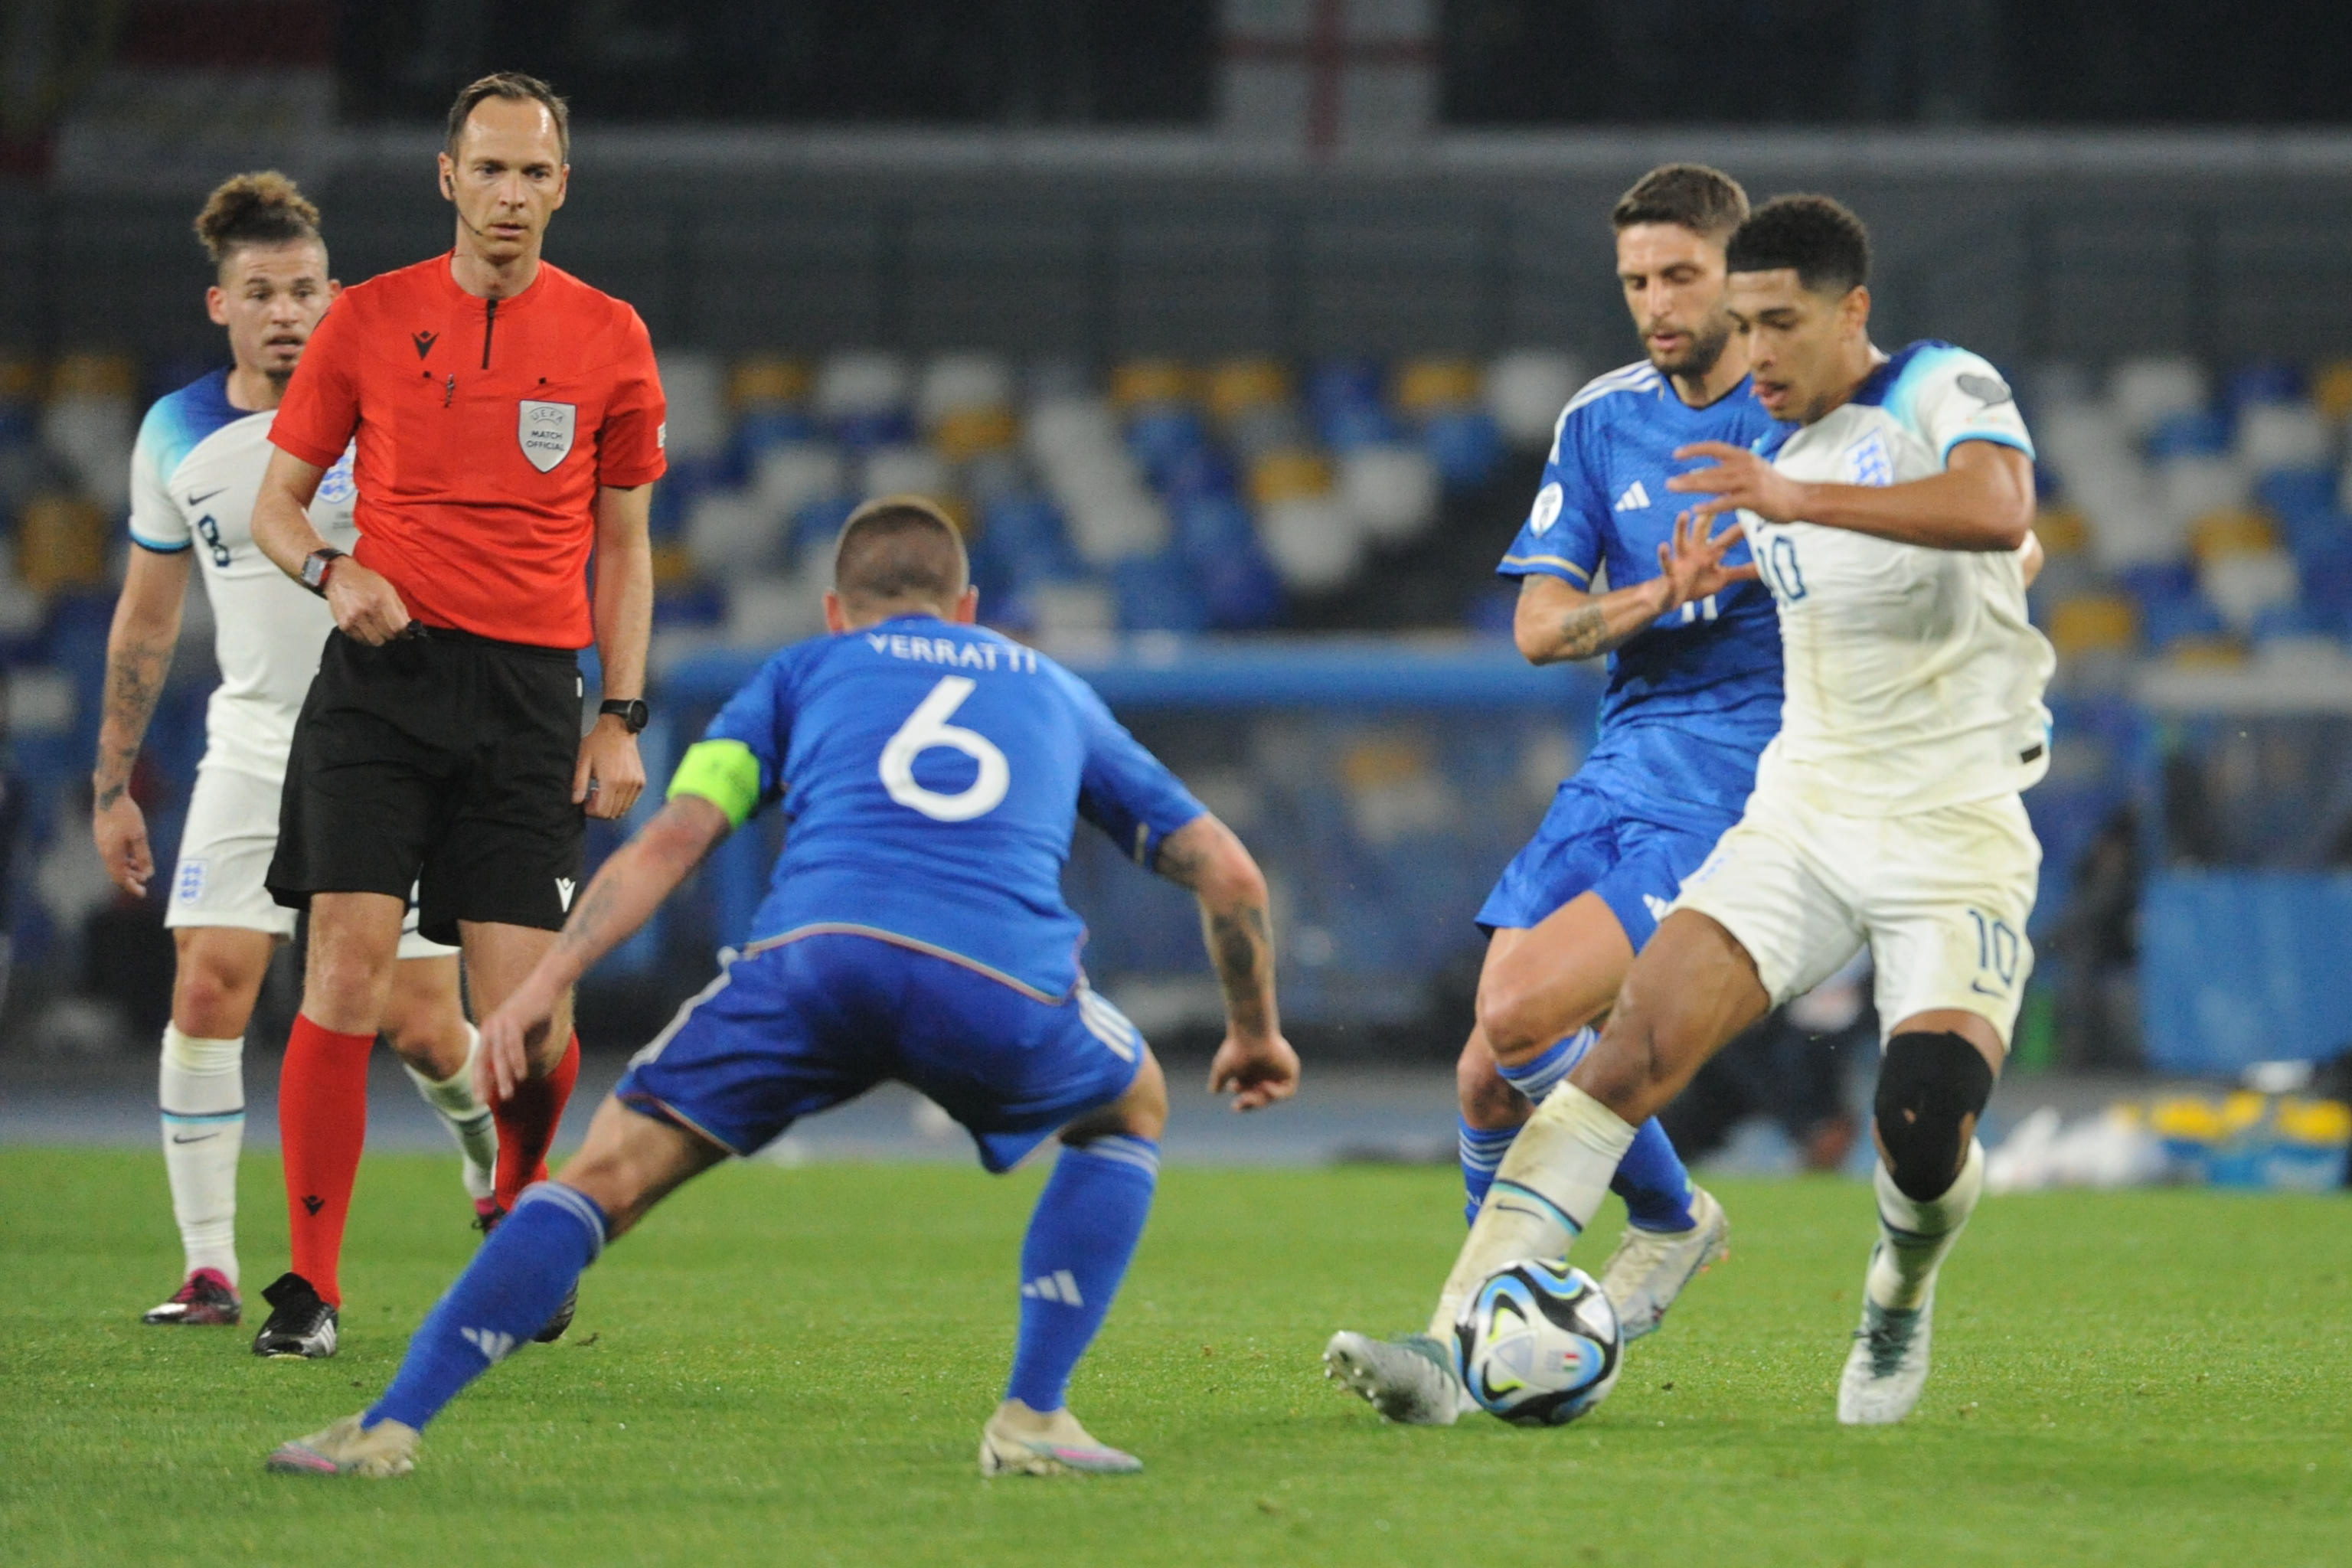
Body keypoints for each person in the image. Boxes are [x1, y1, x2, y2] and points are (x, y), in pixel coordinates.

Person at [264, 497, 1301, 1481]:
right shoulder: (1053, 690)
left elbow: (675, 840)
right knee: (1132, 1103)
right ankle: (1034, 1416)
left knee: (603, 1177)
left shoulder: (802, 671)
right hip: (995, 981)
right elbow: (1232, 876)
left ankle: (388, 1426)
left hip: (815, 963)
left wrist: (550, 980)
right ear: (969, 609)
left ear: (837, 610)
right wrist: (1254, 1033)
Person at [1424, 194, 2049, 1426]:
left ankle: (1898, 1290)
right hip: (1800, 818)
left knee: (1922, 1123)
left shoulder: (1935, 388)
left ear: (1848, 313)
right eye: (1744, 326)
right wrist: (1677, 584)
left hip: (1951, 829)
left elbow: (2000, 513)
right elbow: (1572, 621)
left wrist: (1803, 508)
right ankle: (1453, 1343)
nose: (1754, 352)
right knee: (1614, 1057)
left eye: (1774, 323)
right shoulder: (1749, 462)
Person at [1324, 163, 1780, 1424]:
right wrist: (1656, 595)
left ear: (1739, 277)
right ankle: (1661, 1227)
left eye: (1680, 275)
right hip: (1620, 766)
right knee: (1486, 1073)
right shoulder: (1601, 420)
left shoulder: (1803, 419)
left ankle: (1455, 1347)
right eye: (1636, 280)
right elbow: (1537, 629)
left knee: (1520, 1011)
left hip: (1742, 782)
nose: (1656, 303)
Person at [240, 73, 665, 1357]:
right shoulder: (366, 320)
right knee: (345, 970)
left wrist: (620, 714)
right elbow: (277, 507)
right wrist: (334, 573)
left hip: (530, 700)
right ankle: (309, 1290)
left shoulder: (611, 336)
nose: (510, 194)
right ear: (448, 177)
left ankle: (516, 1207)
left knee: (525, 1014)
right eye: (490, 169)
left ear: (562, 187)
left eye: (534, 173)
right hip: (383, 682)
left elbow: (626, 547)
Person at [93, 172, 493, 1332]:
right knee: (208, 984)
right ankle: (209, 1268)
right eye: (262, 292)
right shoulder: (175, 432)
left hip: (395, 750)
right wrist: (113, 785)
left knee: (423, 1026)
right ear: (220, 304)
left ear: (336, 295)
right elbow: (147, 619)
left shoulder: (394, 405)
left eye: (305, 290)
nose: (286, 311)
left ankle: (492, 1173)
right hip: (256, 745)